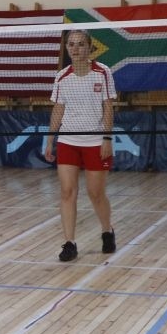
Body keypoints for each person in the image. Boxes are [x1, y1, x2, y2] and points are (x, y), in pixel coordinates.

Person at [44, 29, 117, 262]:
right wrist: (50, 139)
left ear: (90, 47)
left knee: (95, 193)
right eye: (71, 44)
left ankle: (107, 230)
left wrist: (107, 138)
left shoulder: (102, 72)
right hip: (68, 140)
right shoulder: (62, 77)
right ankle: (69, 243)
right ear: (67, 48)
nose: (75, 49)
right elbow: (58, 108)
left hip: (95, 141)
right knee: (67, 192)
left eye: (80, 44)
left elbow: (108, 107)